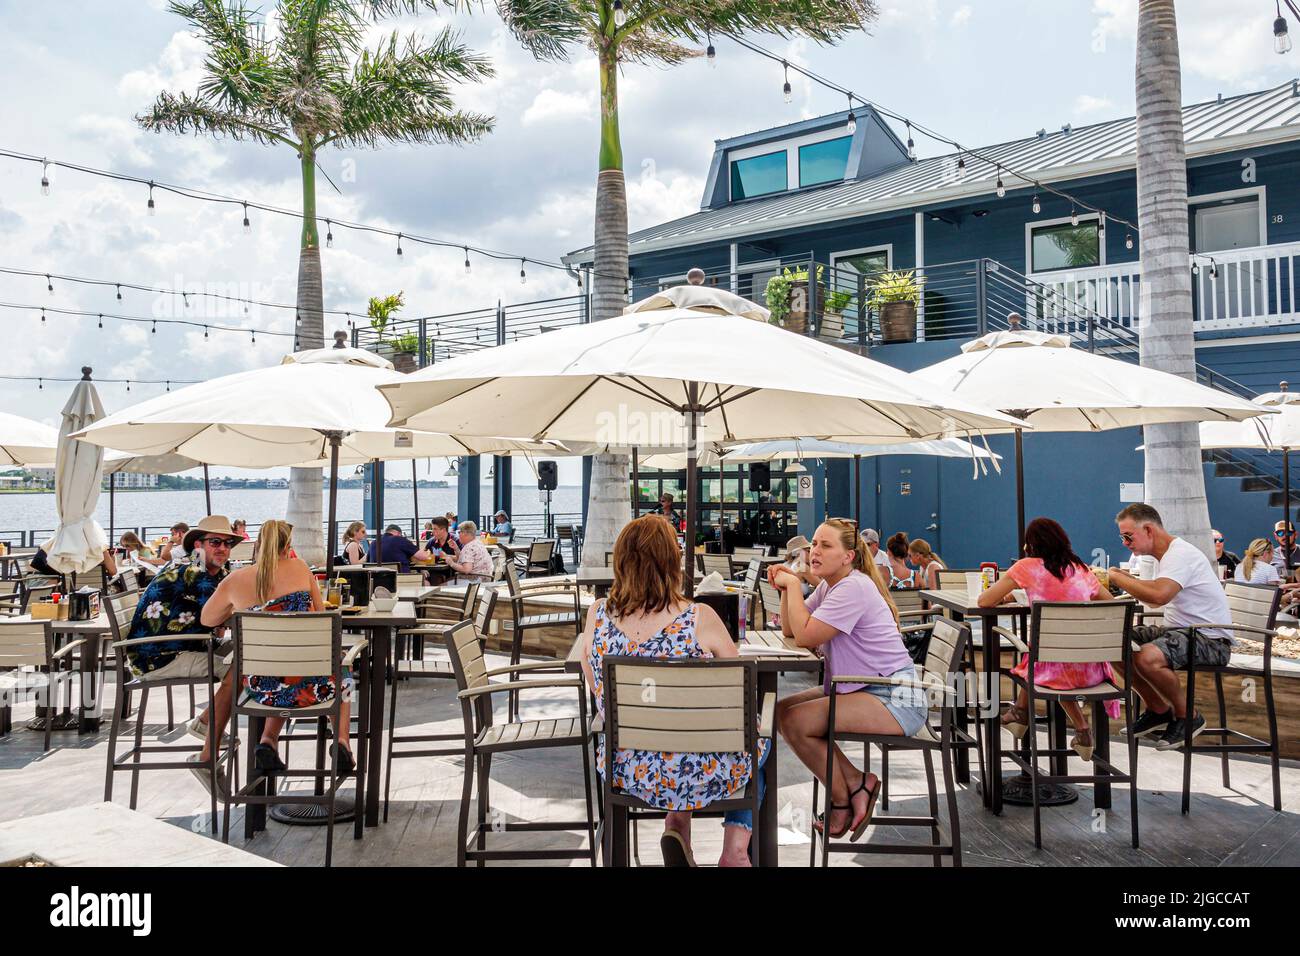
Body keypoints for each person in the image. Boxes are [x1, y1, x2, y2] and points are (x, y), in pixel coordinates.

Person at [580, 515, 766, 867]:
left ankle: (677, 824)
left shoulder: (597, 615)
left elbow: (596, 686)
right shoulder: (699, 617)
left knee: (728, 735)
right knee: (760, 736)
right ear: (673, 562)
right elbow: (743, 688)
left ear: (620, 560)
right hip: (702, 770)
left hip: (630, 769)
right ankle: (735, 851)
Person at [770, 519, 926, 842]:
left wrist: (795, 585)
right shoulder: (830, 586)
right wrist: (788, 589)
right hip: (864, 687)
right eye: (814, 543)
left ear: (848, 557)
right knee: (781, 713)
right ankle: (856, 782)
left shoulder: (853, 587)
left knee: (797, 722)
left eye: (825, 545)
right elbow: (790, 627)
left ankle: (844, 797)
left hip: (896, 697)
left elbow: (805, 635)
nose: (814, 551)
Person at [201, 519, 355, 777]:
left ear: (259, 544)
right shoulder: (300, 567)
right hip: (314, 682)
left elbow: (207, 619)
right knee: (343, 668)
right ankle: (342, 742)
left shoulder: (235, 579)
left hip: (261, 686)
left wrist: (236, 606)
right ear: (288, 546)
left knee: (281, 670)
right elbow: (320, 615)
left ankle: (268, 741)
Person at [120, 516, 241, 794]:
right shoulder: (193, 571)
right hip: (160, 654)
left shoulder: (215, 573)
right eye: (215, 542)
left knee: (253, 659)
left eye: (228, 543)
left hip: (188, 645)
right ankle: (206, 729)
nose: (223, 548)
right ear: (198, 545)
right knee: (242, 669)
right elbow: (222, 614)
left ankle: (211, 729)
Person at [978, 517, 1115, 760]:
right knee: (1052, 657)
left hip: (1050, 669)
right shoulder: (1080, 568)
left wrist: (1019, 592)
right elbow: (1110, 604)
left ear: (1031, 544)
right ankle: (1069, 728)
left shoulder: (1026, 566)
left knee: (1038, 659)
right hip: (1091, 669)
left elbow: (984, 601)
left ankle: (1020, 713)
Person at [1108, 504, 1233, 750]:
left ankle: (1188, 716)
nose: (1124, 543)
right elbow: (1151, 596)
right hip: (1180, 630)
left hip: (1210, 639)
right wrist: (1124, 579)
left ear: (1148, 530)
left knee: (1147, 658)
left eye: (1127, 536)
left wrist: (1116, 577)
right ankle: (1158, 709)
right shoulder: (1161, 556)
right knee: (1111, 642)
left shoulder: (1180, 554)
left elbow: (1158, 597)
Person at [367, 524, 432, 572]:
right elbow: (423, 557)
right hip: (401, 579)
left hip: (378, 581)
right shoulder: (400, 539)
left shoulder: (373, 543)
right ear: (398, 533)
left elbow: (368, 562)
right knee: (425, 582)